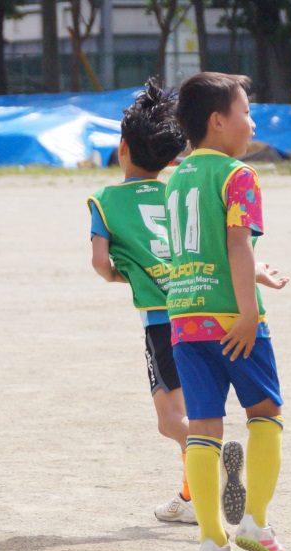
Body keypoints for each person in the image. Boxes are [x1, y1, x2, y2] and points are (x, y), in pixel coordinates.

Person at [166, 71, 289, 551]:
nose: (252, 122)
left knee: (203, 427)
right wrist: (247, 311)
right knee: (266, 414)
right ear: (218, 121)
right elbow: (237, 243)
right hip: (231, 316)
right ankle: (255, 522)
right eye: (246, 111)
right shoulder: (239, 176)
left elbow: (204, 249)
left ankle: (212, 542)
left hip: (184, 317)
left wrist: (253, 270)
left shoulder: (177, 178)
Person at [88, 77, 200, 525]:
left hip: (161, 320)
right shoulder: (178, 190)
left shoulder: (105, 200)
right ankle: (191, 498)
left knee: (171, 420)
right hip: (201, 304)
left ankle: (211, 453)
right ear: (170, 158)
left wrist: (125, 274)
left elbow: (101, 264)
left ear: (123, 149)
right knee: (195, 405)